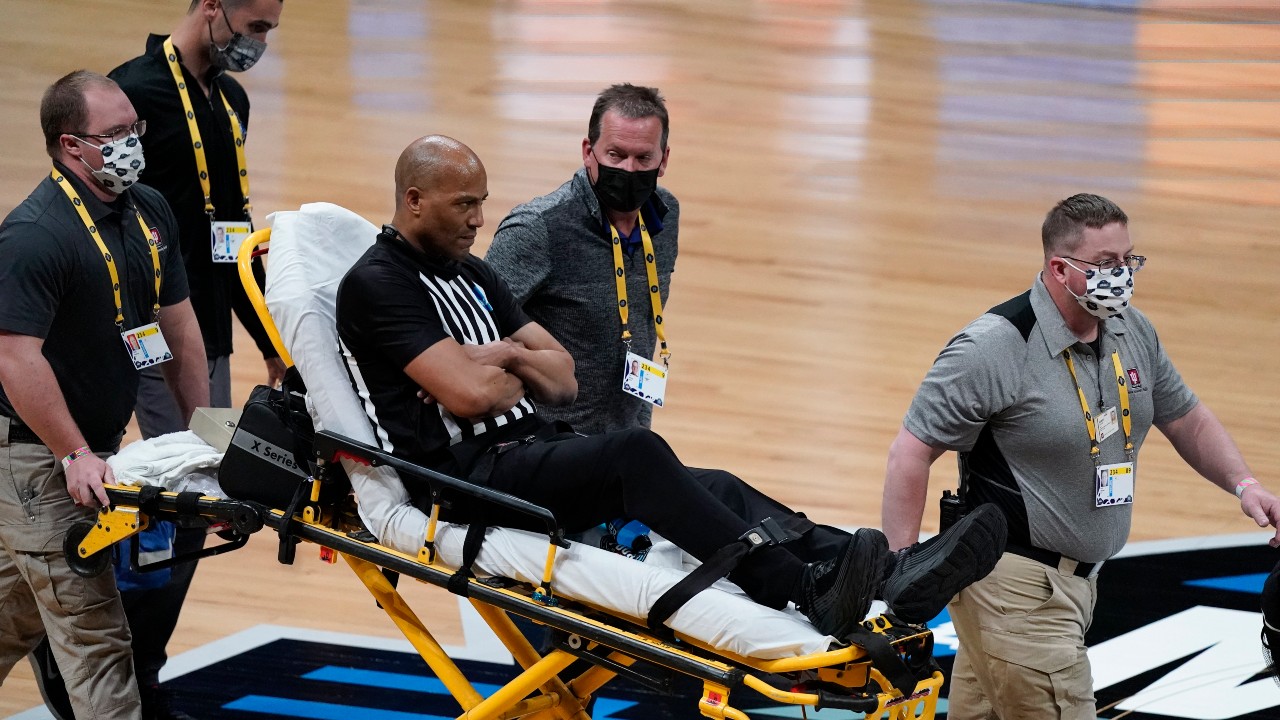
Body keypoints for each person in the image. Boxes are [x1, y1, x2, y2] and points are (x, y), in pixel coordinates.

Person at [336, 135, 1006, 644]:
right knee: (635, 455)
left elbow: (563, 376)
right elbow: (470, 398)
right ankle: (801, 586)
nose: (479, 219)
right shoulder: (378, 284)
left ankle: (888, 571)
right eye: (464, 205)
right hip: (464, 484)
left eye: (482, 203)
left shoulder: (472, 273)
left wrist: (496, 355)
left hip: (529, 450)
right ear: (414, 199)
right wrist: (510, 364)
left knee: (713, 485)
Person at [880, 193, 1280, 719]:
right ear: (1059, 268)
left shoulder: (1132, 331)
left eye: (1129, 260)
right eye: (1106, 264)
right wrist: (900, 584)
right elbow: (909, 453)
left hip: (1074, 586)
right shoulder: (994, 347)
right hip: (1014, 591)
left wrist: (1244, 485)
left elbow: (1186, 416)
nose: (1123, 275)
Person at [23, 5, 286, 719]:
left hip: (201, 330)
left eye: (271, 28)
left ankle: (131, 654)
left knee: (196, 504)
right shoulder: (134, 87)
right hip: (138, 337)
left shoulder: (231, 100)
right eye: (255, 24)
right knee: (172, 505)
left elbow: (232, 232)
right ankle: (120, 661)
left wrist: (266, 340)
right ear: (211, 7)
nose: (260, 42)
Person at [0, 70, 209, 720]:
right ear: (70, 146)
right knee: (97, 643)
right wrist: (73, 454)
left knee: (15, 614)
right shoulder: (34, 236)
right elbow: (13, 357)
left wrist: (206, 435)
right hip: (41, 462)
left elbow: (180, 327)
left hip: (90, 452)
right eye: (114, 135)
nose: (131, 144)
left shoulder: (147, 210)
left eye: (134, 129)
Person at [486, 83, 677, 435]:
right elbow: (477, 324)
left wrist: (641, 430)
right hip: (549, 442)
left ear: (663, 159)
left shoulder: (666, 216)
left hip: (626, 437)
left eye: (643, 158)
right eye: (615, 156)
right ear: (588, 151)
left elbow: (645, 327)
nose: (629, 170)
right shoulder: (538, 228)